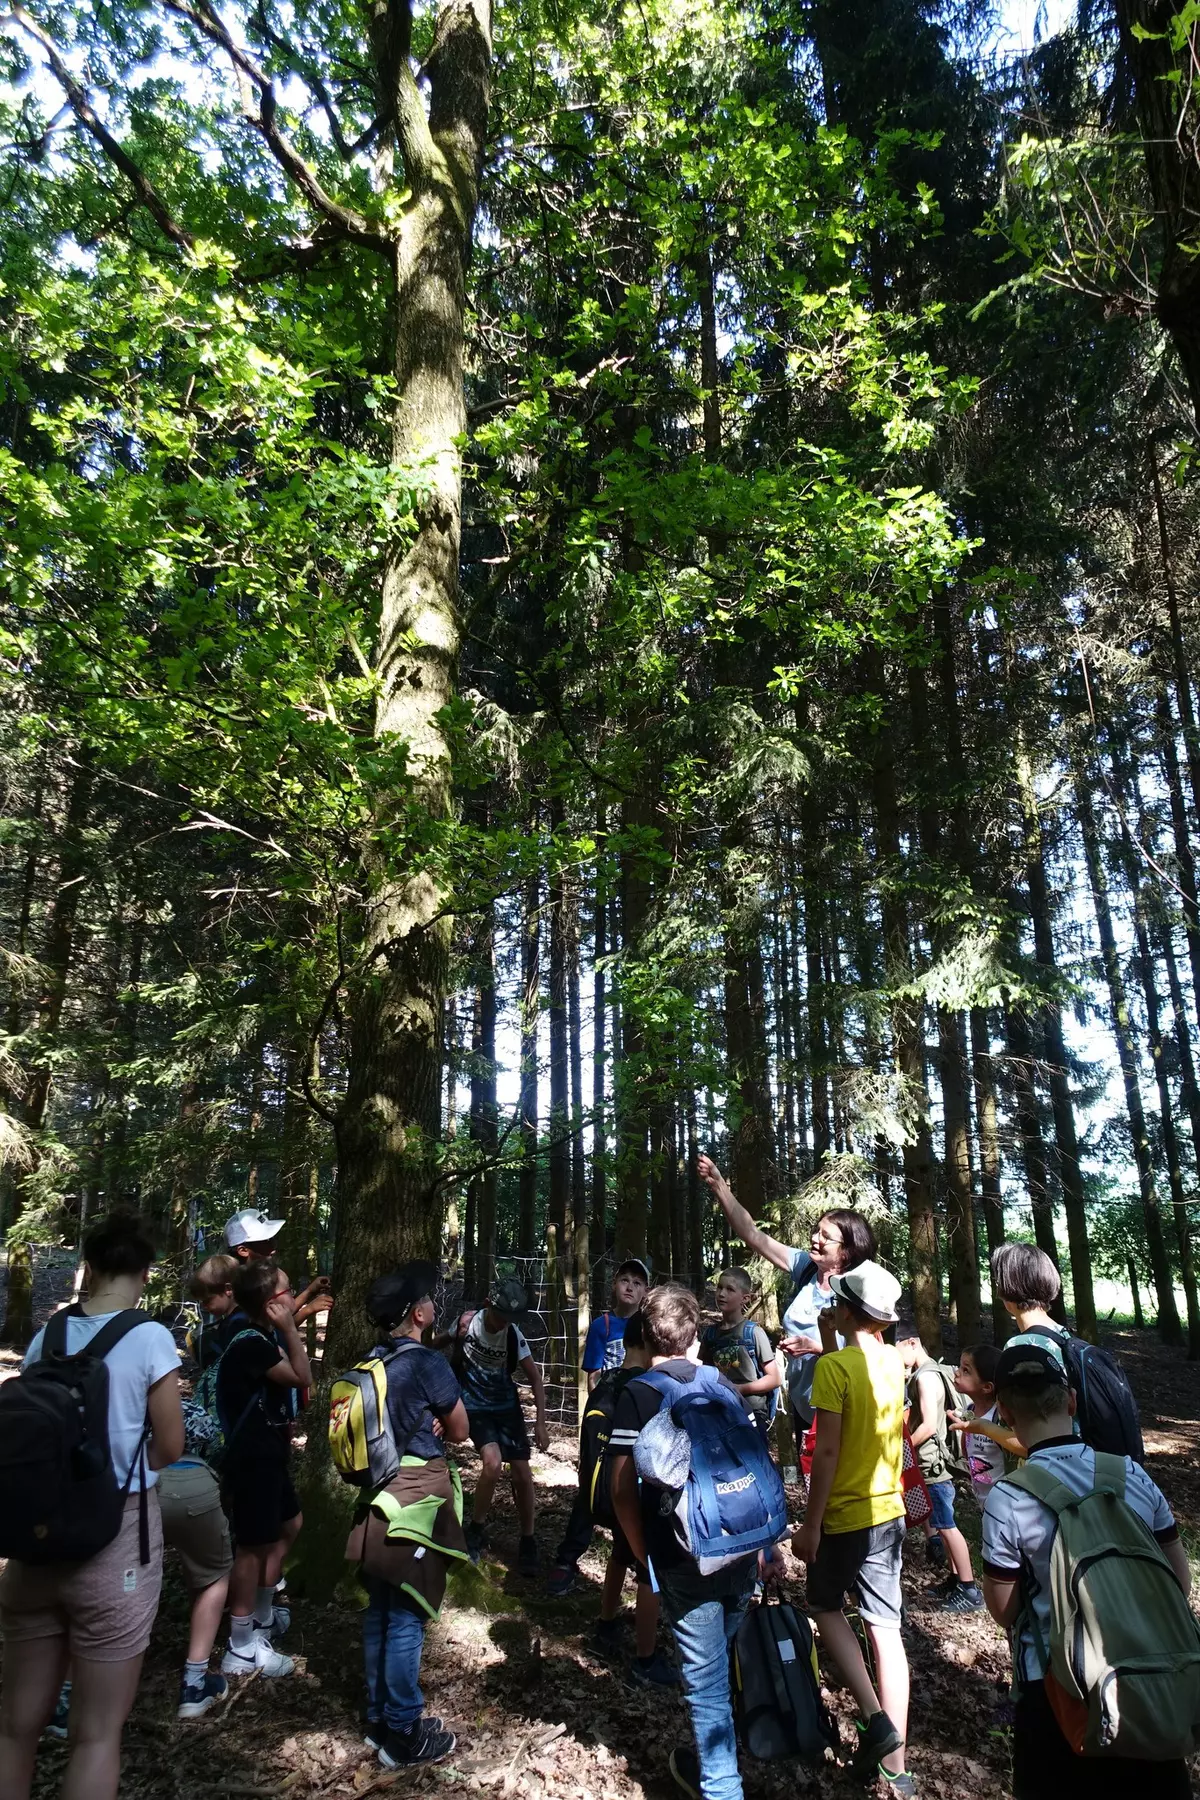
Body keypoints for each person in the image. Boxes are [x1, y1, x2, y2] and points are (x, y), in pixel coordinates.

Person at [0, 1211, 184, 1800]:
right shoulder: (150, 1336)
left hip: (34, 1539)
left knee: (13, 1728)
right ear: (144, 1272)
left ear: (91, 1264)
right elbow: (171, 1445)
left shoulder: (45, 1337)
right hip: (115, 1538)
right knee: (96, 1735)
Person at [980, 1340, 1191, 1799]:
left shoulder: (1009, 1498)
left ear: (1005, 1414)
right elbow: (1179, 1579)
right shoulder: (1132, 1475)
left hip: (1057, 1695)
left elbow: (1002, 1608)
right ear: (1071, 1401)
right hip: (1147, 1679)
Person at [609, 1283, 766, 1800]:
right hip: (739, 1547)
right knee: (714, 1663)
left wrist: (639, 1550)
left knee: (706, 1684)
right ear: (694, 1334)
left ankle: (722, 1788)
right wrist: (765, 1546)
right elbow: (750, 1465)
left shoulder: (637, 1392)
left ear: (647, 1333)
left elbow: (620, 1489)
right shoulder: (720, 1384)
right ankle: (717, 1764)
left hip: (681, 1554)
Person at [790, 1261, 914, 1798]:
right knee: (886, 1631)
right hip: (890, 1511)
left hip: (843, 1515)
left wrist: (811, 1525)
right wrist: (835, 1329)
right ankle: (897, 1765)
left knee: (823, 1605)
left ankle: (873, 1717)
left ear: (846, 1311)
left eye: (836, 1302)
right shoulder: (892, 1362)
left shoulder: (833, 1370)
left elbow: (830, 1451)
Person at [346, 1263, 470, 1770]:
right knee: (406, 1617)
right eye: (429, 1301)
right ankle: (402, 1730)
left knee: (380, 1608)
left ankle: (380, 1717)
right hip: (415, 1500)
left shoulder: (375, 1358)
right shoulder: (427, 1365)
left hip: (377, 1498)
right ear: (419, 1313)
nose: (434, 1306)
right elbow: (459, 1429)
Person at [697, 1155, 876, 1447]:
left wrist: (817, 1348)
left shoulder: (858, 1290)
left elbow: (869, 1356)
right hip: (804, 1401)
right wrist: (720, 1187)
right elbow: (754, 1235)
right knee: (811, 1479)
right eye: (816, 1231)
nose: (815, 1238)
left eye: (825, 1236)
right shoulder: (806, 1267)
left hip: (841, 1405)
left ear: (846, 1250)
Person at [218, 1259, 311, 1678]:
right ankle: (240, 1644)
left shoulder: (259, 1334)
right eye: (289, 1290)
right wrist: (292, 1330)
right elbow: (301, 1376)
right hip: (252, 1458)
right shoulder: (250, 1341)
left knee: (289, 1526)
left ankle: (261, 1617)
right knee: (252, 1548)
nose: (296, 1296)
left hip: (269, 1454)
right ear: (273, 1303)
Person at [455, 1277, 550, 1574]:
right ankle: (476, 1529)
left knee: (522, 1472)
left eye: (511, 1319)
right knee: (492, 1463)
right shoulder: (468, 1324)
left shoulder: (513, 1335)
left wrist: (541, 1423)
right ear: (488, 1306)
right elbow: (441, 1344)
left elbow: (535, 1378)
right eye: (501, 1317)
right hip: (475, 1405)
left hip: (506, 1408)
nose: (504, 1323)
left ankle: (528, 1540)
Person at [897, 1323, 984, 1614]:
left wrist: (901, 1449)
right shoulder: (925, 1373)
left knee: (947, 1527)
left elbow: (928, 1425)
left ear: (911, 1343)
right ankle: (955, 1578)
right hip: (927, 1463)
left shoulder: (926, 1377)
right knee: (941, 1525)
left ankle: (970, 1589)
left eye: (898, 1351)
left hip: (932, 1465)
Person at [699, 1267, 780, 1443]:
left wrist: (740, 1389)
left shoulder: (754, 1333)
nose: (721, 1293)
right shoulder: (711, 1335)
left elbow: (774, 1379)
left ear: (745, 1298)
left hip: (751, 1412)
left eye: (730, 1289)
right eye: (720, 1287)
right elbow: (705, 1374)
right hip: (719, 1410)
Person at [223, 1209, 331, 1324]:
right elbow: (278, 1331)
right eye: (264, 1242)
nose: (273, 1249)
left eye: (271, 1240)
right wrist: (308, 1310)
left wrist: (310, 1291)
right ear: (243, 1250)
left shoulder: (259, 1277)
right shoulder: (244, 1289)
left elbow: (284, 1312)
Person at [947, 1343, 1023, 1507]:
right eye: (960, 1367)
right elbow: (968, 1452)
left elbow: (1022, 1447)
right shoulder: (969, 1410)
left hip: (1008, 1502)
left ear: (987, 1387)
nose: (957, 1372)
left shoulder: (1001, 1415)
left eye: (966, 1370)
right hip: (984, 1500)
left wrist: (984, 1429)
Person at [581, 1258, 649, 1391]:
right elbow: (593, 1377)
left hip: (641, 1398)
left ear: (646, 1291)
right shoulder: (600, 1326)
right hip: (611, 1399)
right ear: (614, 1284)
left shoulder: (649, 1325)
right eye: (624, 1280)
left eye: (637, 1283)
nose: (629, 1288)